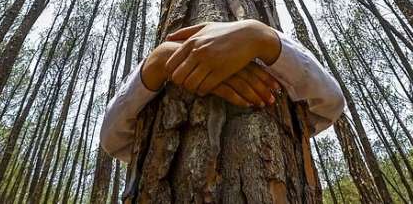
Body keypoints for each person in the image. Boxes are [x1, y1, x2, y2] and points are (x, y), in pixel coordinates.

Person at [100, 19, 345, 162]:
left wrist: (260, 36)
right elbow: (112, 140)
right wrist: (157, 62)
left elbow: (330, 102)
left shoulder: (276, 44)